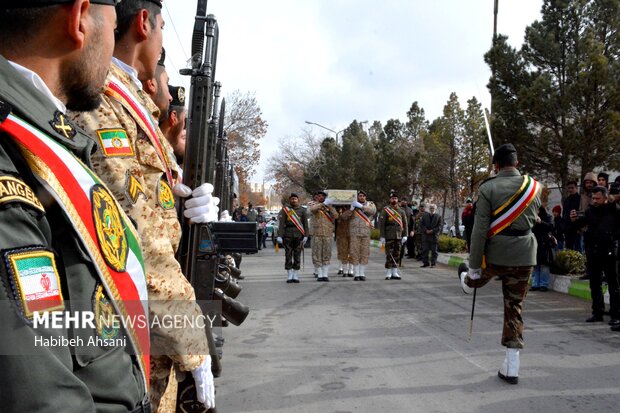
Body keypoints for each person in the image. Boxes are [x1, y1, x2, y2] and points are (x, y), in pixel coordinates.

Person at [0, 1, 152, 411]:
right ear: (79, 18)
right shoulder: (12, 152)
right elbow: (41, 396)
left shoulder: (44, 135)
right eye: (112, 22)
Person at [69, 1, 217, 411]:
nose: (162, 40)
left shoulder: (130, 100)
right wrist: (193, 345)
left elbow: (154, 204)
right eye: (163, 29)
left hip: (152, 326)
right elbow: (137, 237)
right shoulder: (104, 102)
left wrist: (184, 204)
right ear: (143, 23)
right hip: (135, 329)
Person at [458, 143, 542, 385]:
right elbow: (534, 217)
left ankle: (467, 279)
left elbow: (480, 229)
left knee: (473, 279)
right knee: (514, 308)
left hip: (496, 256)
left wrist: (475, 264)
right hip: (525, 255)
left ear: (496, 165)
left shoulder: (488, 188)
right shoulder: (534, 187)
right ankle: (512, 366)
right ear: (516, 163)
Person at [570, 186, 619, 326]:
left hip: (609, 252)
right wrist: (574, 220)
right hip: (593, 252)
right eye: (593, 198)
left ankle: (616, 314)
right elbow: (580, 224)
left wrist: (612, 239)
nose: (595, 200)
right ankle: (597, 312)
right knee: (595, 283)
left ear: (605, 197)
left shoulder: (614, 210)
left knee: (613, 284)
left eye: (598, 198)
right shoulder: (590, 211)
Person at [277, 193, 309, 283]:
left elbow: (305, 224)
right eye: (292, 199)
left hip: (298, 235)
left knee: (297, 255)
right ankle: (289, 274)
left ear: (298, 200)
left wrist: (306, 235)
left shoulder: (302, 210)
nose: (293, 200)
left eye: (295, 199)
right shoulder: (285, 210)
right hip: (288, 235)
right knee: (288, 254)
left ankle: (296, 274)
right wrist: (279, 235)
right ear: (289, 200)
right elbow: (282, 223)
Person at [346, 190, 377, 281]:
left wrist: (361, 206)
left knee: (364, 253)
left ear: (365, 197)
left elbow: (373, 211)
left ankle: (362, 273)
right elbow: (344, 217)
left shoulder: (370, 204)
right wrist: (351, 209)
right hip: (354, 233)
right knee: (354, 253)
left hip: (365, 233)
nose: (361, 197)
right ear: (357, 197)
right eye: (360, 196)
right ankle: (356, 274)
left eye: (363, 196)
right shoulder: (353, 205)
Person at [308, 190, 339, 281]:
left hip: (327, 233)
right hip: (316, 233)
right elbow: (311, 210)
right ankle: (319, 274)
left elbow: (336, 216)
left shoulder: (329, 206)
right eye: (319, 196)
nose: (321, 197)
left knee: (327, 253)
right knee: (317, 254)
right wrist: (323, 204)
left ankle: (325, 274)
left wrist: (330, 206)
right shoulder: (312, 204)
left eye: (323, 196)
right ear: (316, 197)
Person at [379, 191, 408, 279]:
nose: (394, 200)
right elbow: (382, 224)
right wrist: (382, 236)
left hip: (398, 235)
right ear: (390, 199)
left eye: (395, 198)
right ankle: (388, 272)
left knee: (397, 253)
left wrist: (405, 235)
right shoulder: (386, 210)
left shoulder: (401, 211)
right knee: (389, 254)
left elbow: (405, 224)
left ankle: (394, 272)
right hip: (389, 235)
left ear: (397, 199)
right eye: (392, 198)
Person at [530, 205, 554, 292]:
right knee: (535, 265)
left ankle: (543, 284)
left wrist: (541, 222)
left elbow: (550, 227)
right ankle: (535, 284)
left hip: (544, 244)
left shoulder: (548, 217)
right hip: (534, 243)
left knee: (544, 265)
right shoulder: (531, 217)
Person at [562, 180, 582, 252]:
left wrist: (579, 227)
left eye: (572, 188)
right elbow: (564, 214)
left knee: (578, 249)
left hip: (577, 229)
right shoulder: (566, 200)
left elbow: (582, 213)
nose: (570, 190)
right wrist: (563, 226)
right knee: (569, 250)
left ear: (576, 188)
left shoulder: (580, 199)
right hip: (567, 229)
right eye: (569, 188)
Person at [420, 204, 442, 268]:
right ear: (429, 209)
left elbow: (439, 226)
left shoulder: (438, 216)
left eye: (433, 208)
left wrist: (432, 230)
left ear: (435, 209)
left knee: (434, 251)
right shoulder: (424, 216)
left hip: (434, 236)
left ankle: (433, 263)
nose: (432, 209)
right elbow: (421, 225)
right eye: (431, 208)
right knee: (425, 250)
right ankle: (425, 263)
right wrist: (426, 230)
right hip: (426, 235)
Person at [335, 206, 353, 277]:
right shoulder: (338, 208)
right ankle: (342, 268)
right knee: (342, 251)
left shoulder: (354, 207)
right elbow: (339, 218)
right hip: (341, 233)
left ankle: (351, 270)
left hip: (352, 233)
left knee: (352, 252)